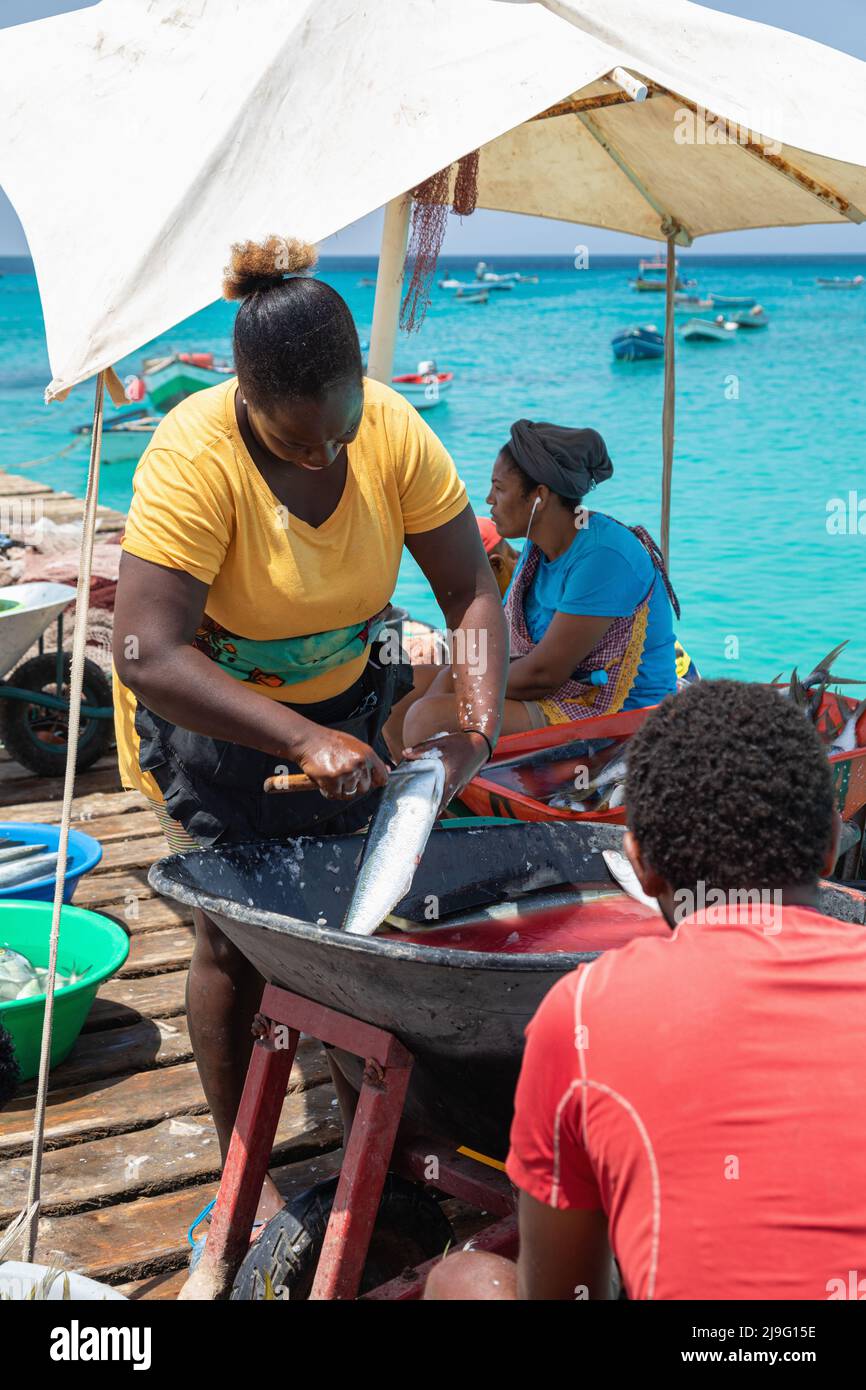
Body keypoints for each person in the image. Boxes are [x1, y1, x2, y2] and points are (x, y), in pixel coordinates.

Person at [112, 236, 507, 1250]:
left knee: (355, 919)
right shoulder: (194, 455)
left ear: (360, 391)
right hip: (221, 718)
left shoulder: (391, 432)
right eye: (296, 444)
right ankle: (238, 1163)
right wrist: (296, 736)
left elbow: (467, 589)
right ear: (243, 399)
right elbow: (145, 649)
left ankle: (372, 1128)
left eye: (338, 433)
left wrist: (473, 722)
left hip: (351, 704)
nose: (323, 456)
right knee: (233, 934)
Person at [425, 680, 866, 1300]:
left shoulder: (583, 1012)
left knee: (463, 1279)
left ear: (638, 861)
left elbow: (561, 1291)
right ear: (828, 845)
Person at [389, 419, 679, 752]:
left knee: (429, 717)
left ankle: (438, 794)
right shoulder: (537, 549)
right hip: (561, 691)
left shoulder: (603, 557)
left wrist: (461, 679)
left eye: (499, 488)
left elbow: (543, 675)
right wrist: (457, 675)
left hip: (611, 710)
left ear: (539, 497)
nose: (488, 500)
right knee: (401, 692)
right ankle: (412, 788)